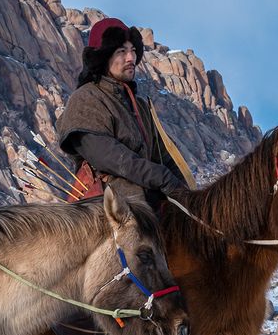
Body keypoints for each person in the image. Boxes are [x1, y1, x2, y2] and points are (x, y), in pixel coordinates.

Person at [55, 17, 188, 206]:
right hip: (105, 209)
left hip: (147, 207)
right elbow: (106, 156)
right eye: (121, 51)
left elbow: (164, 157)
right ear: (103, 57)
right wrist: (161, 177)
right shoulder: (86, 98)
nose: (131, 58)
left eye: (133, 50)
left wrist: (188, 197)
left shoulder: (140, 106)